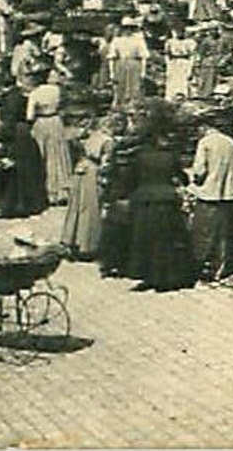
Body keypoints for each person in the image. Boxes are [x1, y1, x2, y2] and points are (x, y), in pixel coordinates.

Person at [126, 118, 196, 291]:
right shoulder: (170, 156)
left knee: (144, 239)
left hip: (145, 201)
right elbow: (183, 178)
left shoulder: (139, 156)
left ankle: (147, 275)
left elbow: (130, 179)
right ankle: (165, 277)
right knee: (166, 240)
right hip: (167, 201)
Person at [189, 108, 233, 281]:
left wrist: (195, 180)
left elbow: (199, 170)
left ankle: (201, 268)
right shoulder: (231, 143)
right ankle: (219, 268)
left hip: (208, 194)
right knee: (223, 233)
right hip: (228, 194)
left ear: (204, 127)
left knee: (203, 232)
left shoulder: (205, 143)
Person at [0, 74, 49, 219]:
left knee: (15, 171)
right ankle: (33, 203)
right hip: (24, 133)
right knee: (29, 170)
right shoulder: (19, 95)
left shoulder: (9, 99)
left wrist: (1, 139)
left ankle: (14, 205)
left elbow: (9, 122)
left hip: (16, 135)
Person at [62, 117, 114, 261]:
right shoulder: (107, 141)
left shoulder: (89, 137)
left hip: (81, 170)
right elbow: (106, 163)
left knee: (77, 206)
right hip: (93, 172)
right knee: (91, 208)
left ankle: (72, 240)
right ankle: (88, 244)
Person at [29, 70, 73, 205]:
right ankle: (61, 191)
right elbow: (64, 107)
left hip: (41, 122)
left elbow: (29, 115)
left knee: (42, 155)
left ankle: (46, 192)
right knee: (58, 154)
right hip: (55, 121)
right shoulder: (57, 90)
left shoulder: (34, 93)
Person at [108, 17, 150, 109]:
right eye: (126, 28)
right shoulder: (117, 40)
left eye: (130, 28)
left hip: (134, 64)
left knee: (134, 87)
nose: (128, 30)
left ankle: (133, 106)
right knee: (120, 87)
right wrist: (112, 73)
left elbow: (143, 57)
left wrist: (143, 72)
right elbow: (112, 57)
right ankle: (120, 106)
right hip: (121, 64)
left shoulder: (138, 40)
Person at [164, 23, 197, 102]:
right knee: (172, 79)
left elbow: (192, 55)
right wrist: (168, 64)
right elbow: (167, 54)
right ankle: (171, 97)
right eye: (177, 31)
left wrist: (191, 67)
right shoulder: (170, 42)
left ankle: (183, 96)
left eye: (182, 31)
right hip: (173, 62)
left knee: (183, 80)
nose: (179, 33)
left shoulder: (190, 42)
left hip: (184, 62)